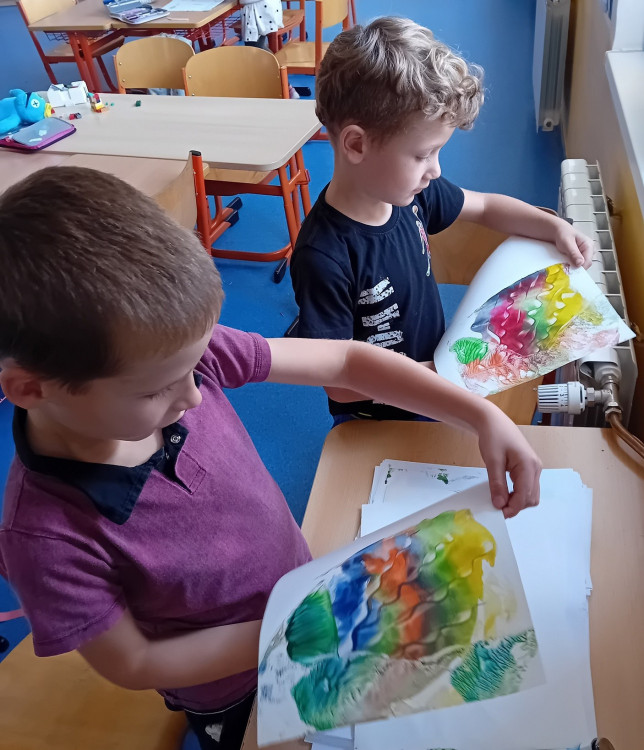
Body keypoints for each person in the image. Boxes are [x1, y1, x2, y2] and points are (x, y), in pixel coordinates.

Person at [0, 167, 541, 750]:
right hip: (234, 690)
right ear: (30, 389)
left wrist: (480, 415)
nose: (195, 396)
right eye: (156, 392)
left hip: (311, 597)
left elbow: (346, 361)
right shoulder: (46, 535)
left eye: (193, 368)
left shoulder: (171, 359)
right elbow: (134, 662)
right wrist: (299, 631)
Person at [289, 16, 594, 425]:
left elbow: (485, 207)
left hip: (437, 390)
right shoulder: (323, 255)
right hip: (376, 421)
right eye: (422, 155)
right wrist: (432, 376)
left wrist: (554, 227)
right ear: (356, 144)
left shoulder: (411, 194)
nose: (435, 170)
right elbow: (338, 382)